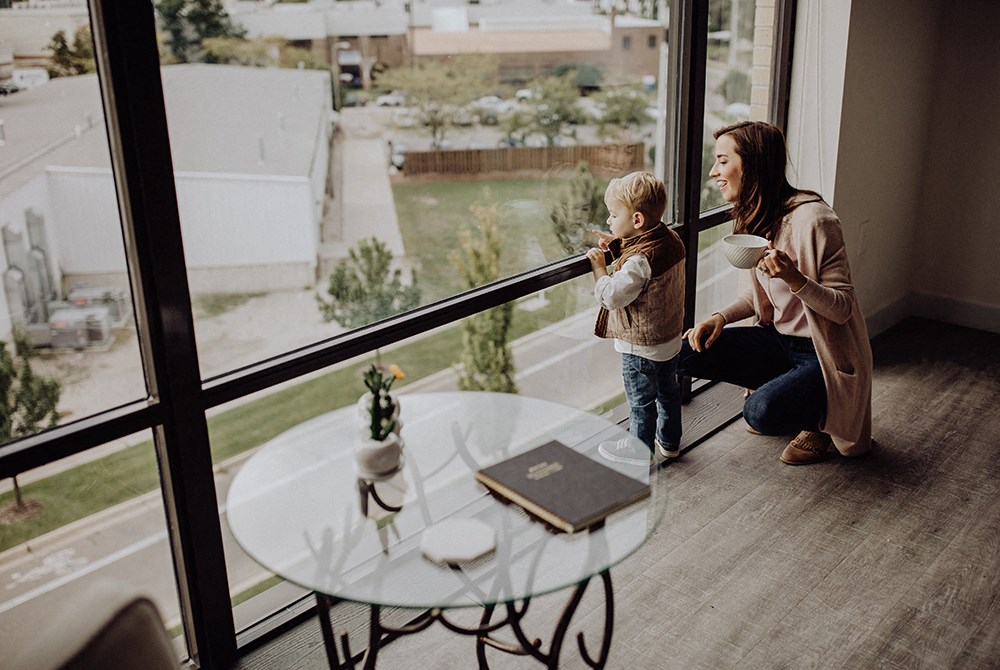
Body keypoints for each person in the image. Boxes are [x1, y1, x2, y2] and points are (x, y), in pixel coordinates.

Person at [680, 121, 872, 465]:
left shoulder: (815, 220)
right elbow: (760, 300)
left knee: (760, 412)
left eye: (722, 161)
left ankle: (819, 423)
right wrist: (720, 317)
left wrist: (794, 278)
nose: (713, 172)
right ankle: (788, 389)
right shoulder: (758, 218)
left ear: (753, 164)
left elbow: (842, 309)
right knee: (684, 353)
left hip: (822, 353)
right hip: (780, 341)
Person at [586, 171, 686, 465]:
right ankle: (670, 441)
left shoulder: (639, 262)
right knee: (668, 393)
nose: (609, 221)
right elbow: (644, 251)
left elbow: (612, 296)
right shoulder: (672, 240)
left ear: (637, 219)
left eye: (614, 215)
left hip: (640, 348)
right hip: (669, 341)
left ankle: (639, 452)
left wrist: (599, 267)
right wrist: (618, 243)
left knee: (641, 402)